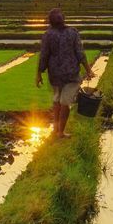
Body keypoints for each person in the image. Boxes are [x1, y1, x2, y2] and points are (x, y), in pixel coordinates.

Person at [36, 7, 93, 138]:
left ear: (50, 21)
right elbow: (80, 53)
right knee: (65, 102)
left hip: (55, 74)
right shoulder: (72, 32)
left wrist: (39, 73)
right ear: (64, 19)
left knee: (57, 100)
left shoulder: (48, 35)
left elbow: (44, 55)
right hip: (71, 73)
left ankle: (56, 129)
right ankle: (60, 132)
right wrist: (88, 69)